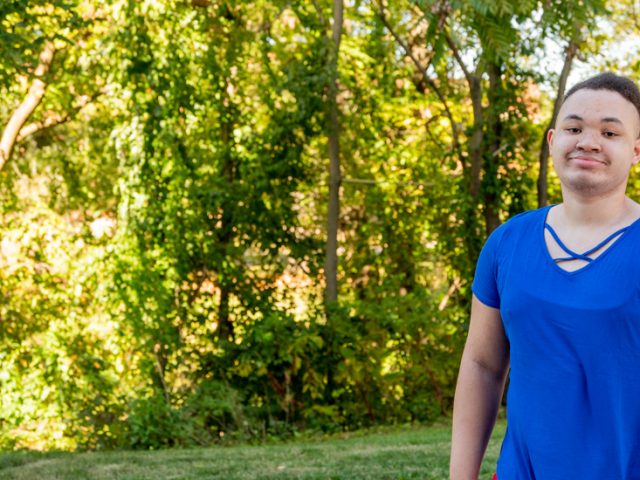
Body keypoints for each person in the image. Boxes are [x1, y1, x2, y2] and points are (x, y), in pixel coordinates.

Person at [449, 72, 640, 480]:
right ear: (553, 141)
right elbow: (482, 365)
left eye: (610, 132)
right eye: (574, 127)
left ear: (636, 150)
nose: (588, 141)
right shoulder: (506, 243)